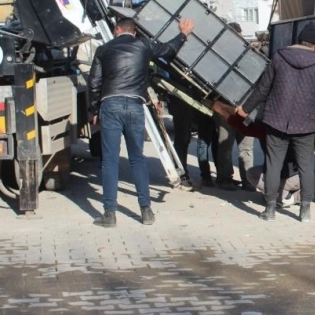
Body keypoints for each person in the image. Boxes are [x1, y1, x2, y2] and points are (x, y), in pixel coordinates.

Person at [89, 17, 194, 227]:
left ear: (117, 30)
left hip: (110, 104)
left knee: (110, 160)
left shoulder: (103, 50)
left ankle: (109, 214)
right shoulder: (144, 45)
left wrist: (93, 110)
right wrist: (183, 34)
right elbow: (168, 50)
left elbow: (94, 82)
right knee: (137, 158)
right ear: (134, 32)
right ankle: (146, 211)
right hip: (136, 105)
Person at [236, 22, 315, 222]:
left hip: (276, 120)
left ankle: (270, 209)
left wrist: (245, 109)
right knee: (306, 166)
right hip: (306, 124)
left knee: (272, 165)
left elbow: (263, 89)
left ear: (298, 41)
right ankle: (305, 211)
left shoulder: (279, 57)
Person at [214, 22, 256, 191]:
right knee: (234, 146)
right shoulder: (248, 55)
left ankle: (239, 180)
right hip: (235, 108)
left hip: (235, 108)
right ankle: (236, 180)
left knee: (233, 146)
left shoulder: (221, 55)